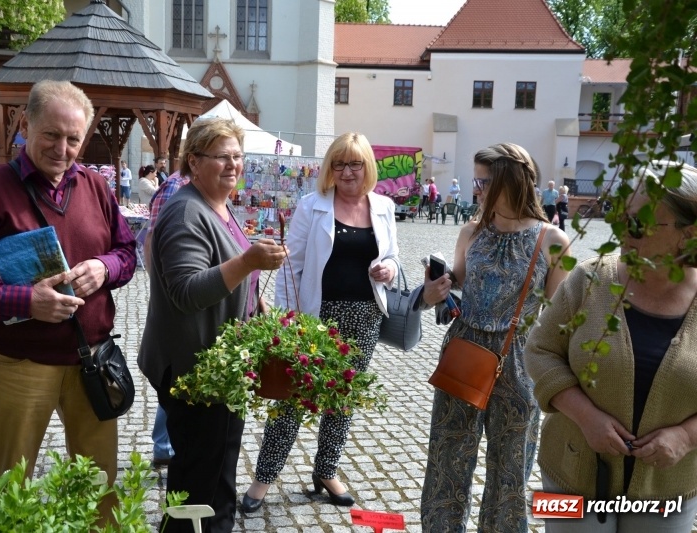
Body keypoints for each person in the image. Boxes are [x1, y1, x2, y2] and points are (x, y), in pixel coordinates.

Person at [0, 80, 137, 523]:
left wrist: (104, 267)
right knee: (10, 484)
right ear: (26, 126)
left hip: (92, 360)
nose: (62, 149)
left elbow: (127, 252)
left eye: (73, 139)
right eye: (51, 135)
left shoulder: (97, 187)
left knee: (100, 487)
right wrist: (26, 301)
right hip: (21, 363)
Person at [525, 161, 697, 532]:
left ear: (688, 233)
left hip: (668, 491)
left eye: (638, 223)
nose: (622, 231)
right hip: (568, 471)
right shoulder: (589, 278)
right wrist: (586, 416)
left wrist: (686, 436)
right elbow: (539, 350)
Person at [138, 117, 287, 533]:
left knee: (216, 471)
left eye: (237, 156)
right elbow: (186, 291)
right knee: (198, 482)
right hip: (194, 370)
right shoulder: (186, 211)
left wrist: (256, 303)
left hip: (220, 369)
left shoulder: (220, 205)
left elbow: (230, 272)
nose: (233, 164)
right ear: (194, 161)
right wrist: (249, 261)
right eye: (222, 156)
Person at [241, 132, 399, 512]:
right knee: (293, 397)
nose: (347, 172)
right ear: (330, 168)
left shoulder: (383, 207)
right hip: (316, 318)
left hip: (364, 318)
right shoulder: (312, 206)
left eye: (355, 164)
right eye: (339, 164)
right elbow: (290, 267)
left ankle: (326, 470)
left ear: (367, 166)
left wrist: (389, 270)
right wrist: (286, 322)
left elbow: (393, 255)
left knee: (342, 399)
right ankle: (264, 477)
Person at [419, 142, 570, 532]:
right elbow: (457, 284)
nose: (477, 189)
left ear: (511, 181)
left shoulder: (552, 240)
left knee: (510, 470)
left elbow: (557, 319)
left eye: (484, 182)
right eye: (476, 181)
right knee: (447, 459)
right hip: (464, 352)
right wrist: (436, 290)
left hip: (519, 361)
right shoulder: (472, 231)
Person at [142, 168, 189, 469]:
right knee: (175, 374)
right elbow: (152, 237)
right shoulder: (176, 186)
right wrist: (160, 286)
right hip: (177, 297)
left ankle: (164, 444)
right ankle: (163, 444)